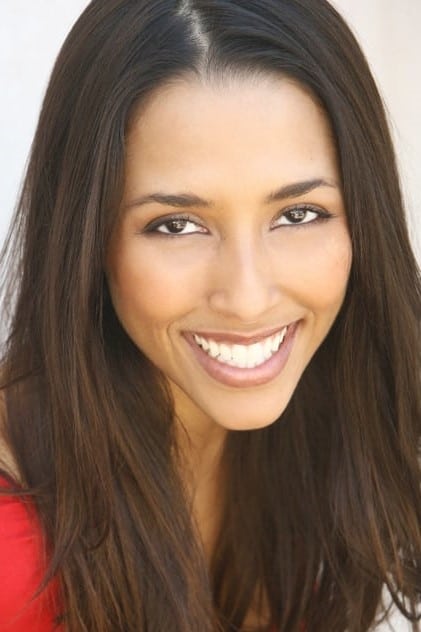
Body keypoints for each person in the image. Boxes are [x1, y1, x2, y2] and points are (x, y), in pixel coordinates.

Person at [0, 0, 420, 630]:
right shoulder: (13, 559)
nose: (247, 298)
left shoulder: (348, 429)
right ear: (87, 239)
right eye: (176, 225)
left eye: (298, 214)